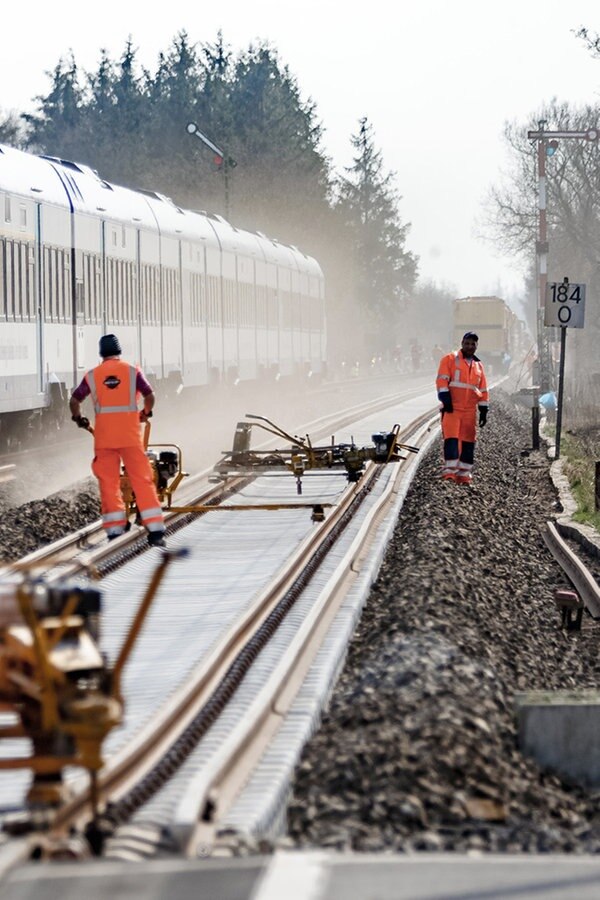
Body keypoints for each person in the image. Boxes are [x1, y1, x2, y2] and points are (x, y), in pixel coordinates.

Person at [69, 334, 167, 547]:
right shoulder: (132, 372)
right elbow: (150, 395)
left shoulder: (92, 375)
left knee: (109, 483)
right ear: (119, 352)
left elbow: (75, 400)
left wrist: (79, 419)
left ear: (101, 354)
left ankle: (115, 531)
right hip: (131, 437)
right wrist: (145, 413)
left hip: (104, 439)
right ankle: (156, 532)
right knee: (142, 480)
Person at [435, 331, 489, 484]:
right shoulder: (450, 359)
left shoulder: (478, 366)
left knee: (468, 441)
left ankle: (464, 473)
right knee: (451, 439)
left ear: (477, 346)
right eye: (467, 343)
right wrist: (446, 400)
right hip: (453, 408)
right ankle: (450, 471)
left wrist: (484, 409)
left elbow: (483, 389)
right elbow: (442, 380)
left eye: (473, 344)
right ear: (462, 343)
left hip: (469, 411)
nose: (470, 346)